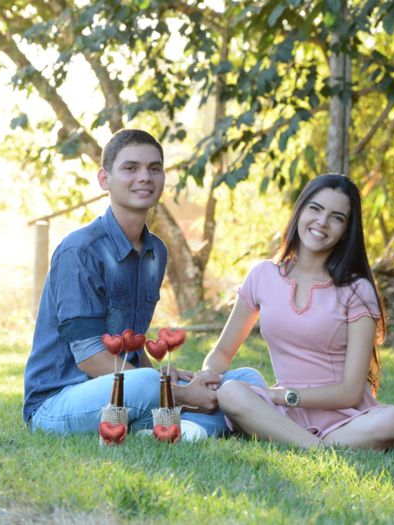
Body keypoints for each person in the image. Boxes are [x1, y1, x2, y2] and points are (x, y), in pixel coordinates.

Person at [22, 128, 265, 439]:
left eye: (154, 168)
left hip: (126, 390)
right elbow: (91, 358)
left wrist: (169, 379)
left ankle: (177, 431)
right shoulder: (79, 251)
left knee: (245, 381)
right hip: (60, 401)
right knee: (150, 384)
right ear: (104, 179)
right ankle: (186, 422)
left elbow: (132, 341)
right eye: (130, 168)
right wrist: (181, 394)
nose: (144, 177)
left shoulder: (155, 252)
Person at [198, 173, 394, 450]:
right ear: (299, 211)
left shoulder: (357, 289)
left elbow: (350, 392)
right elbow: (221, 352)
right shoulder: (263, 275)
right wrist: (206, 375)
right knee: (231, 392)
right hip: (286, 416)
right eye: (315, 209)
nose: (322, 222)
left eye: (337, 217)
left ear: (346, 230)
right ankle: (320, 447)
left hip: (348, 419)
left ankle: (304, 444)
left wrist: (279, 396)